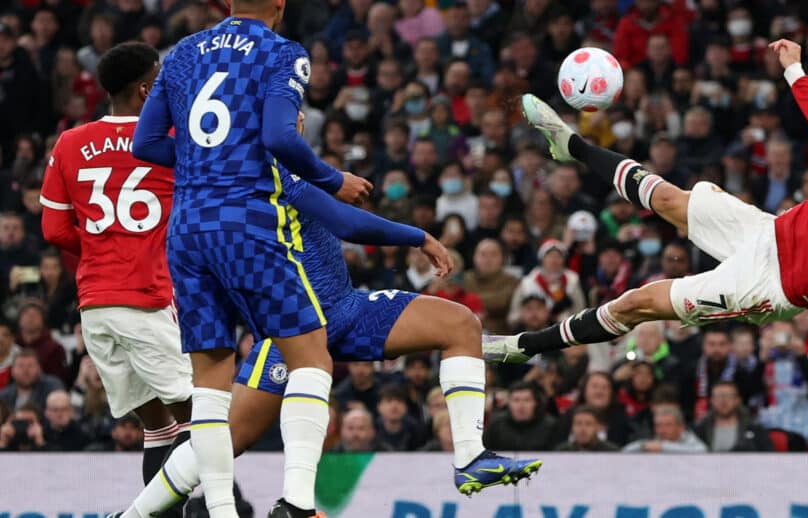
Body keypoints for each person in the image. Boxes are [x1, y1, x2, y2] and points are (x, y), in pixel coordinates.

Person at [117, 118, 540, 518]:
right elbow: (346, 222)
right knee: (226, 439)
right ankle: (136, 514)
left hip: (345, 308)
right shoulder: (269, 172)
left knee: (460, 323)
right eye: (289, 116)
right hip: (295, 330)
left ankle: (470, 456)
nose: (296, 121)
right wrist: (418, 236)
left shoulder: (265, 173)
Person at [487, 39, 808, 383]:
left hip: (766, 285)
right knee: (668, 199)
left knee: (638, 303)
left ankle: (523, 345)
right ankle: (570, 145)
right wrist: (794, 69)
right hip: (767, 232)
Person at [131, 0, 372, 511]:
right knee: (311, 356)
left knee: (211, 384)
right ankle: (298, 501)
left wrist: (204, 159)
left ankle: (219, 511)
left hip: (187, 226)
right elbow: (280, 136)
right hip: (245, 221)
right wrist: (333, 180)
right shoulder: (282, 52)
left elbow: (145, 143)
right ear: (281, 6)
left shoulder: (180, 53)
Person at [38, 43, 193, 509]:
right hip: (147, 296)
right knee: (204, 420)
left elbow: (53, 228)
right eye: (160, 78)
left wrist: (104, 248)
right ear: (146, 89)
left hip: (96, 305)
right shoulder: (170, 139)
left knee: (158, 427)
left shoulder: (69, 142)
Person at [692, 382, 772, 452]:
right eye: (718, 396)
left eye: (728, 396)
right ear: (711, 400)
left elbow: (770, 457)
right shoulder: (700, 429)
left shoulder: (754, 428)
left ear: (738, 400)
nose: (723, 401)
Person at [622, 405, 706, 453]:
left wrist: (663, 447)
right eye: (658, 425)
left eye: (668, 425)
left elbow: (702, 451)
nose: (662, 430)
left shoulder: (689, 438)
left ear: (681, 427)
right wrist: (642, 446)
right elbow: (624, 452)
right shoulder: (654, 440)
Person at [555, 407, 620, 452]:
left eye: (588, 424)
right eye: (578, 424)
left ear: (598, 428)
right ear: (572, 427)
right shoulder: (561, 452)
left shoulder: (612, 452)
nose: (583, 429)